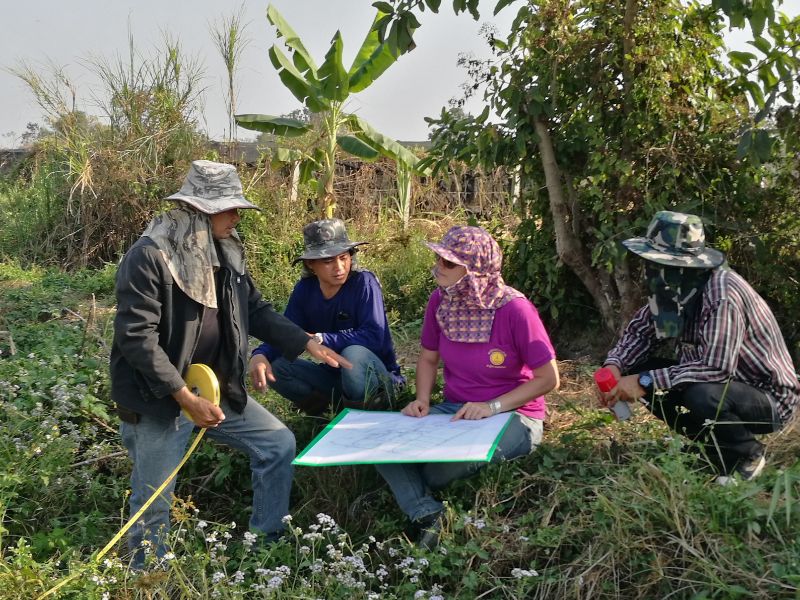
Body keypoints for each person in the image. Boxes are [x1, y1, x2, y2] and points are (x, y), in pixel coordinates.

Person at [110, 160, 350, 566]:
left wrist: (305, 342)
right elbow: (136, 337)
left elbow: (254, 309)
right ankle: (148, 577)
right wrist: (184, 397)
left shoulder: (225, 251)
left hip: (215, 386)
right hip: (160, 399)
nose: (237, 216)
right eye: (230, 209)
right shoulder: (150, 256)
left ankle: (267, 542)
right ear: (200, 210)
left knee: (277, 444)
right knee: (154, 499)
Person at [376, 225, 559, 548]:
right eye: (437, 259)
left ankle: (420, 498)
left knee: (441, 469)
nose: (438, 267)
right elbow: (428, 358)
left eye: (448, 262)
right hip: (455, 411)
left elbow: (549, 379)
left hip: (513, 414)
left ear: (475, 269)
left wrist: (492, 407)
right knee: (380, 445)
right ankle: (428, 513)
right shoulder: (440, 301)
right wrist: (422, 400)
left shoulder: (515, 310)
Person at [599, 211, 800, 482]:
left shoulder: (722, 295)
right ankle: (710, 447)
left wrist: (645, 381)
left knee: (700, 394)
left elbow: (716, 369)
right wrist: (614, 366)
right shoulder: (675, 288)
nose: (651, 270)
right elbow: (640, 333)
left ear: (683, 264)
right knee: (639, 368)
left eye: (659, 262)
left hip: (768, 398)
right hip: (722, 386)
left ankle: (747, 453)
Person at [249, 218, 405, 415]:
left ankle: (366, 417)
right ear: (311, 264)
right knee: (277, 367)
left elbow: (374, 337)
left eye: (344, 258)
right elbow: (287, 331)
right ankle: (329, 415)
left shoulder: (364, 283)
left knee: (353, 354)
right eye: (328, 261)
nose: (339, 267)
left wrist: (321, 339)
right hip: (335, 378)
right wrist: (260, 354)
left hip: (377, 379)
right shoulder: (305, 290)